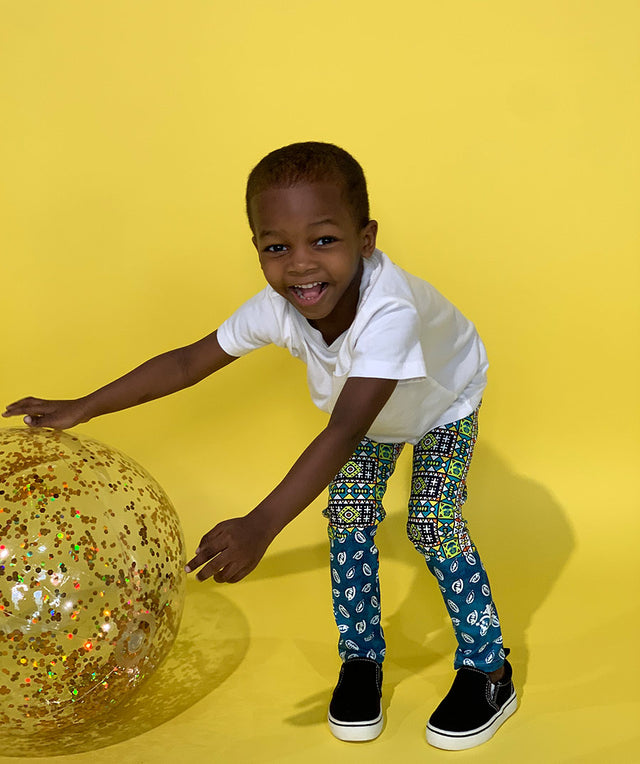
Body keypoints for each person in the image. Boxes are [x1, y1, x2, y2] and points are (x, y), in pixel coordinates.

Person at [3, 141, 517, 750]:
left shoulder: (391, 312)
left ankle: (489, 669)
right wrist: (85, 405)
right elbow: (191, 360)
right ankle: (361, 659)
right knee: (348, 519)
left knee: (431, 523)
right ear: (259, 251)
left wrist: (260, 524)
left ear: (366, 237)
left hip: (441, 406)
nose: (299, 265)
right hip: (368, 418)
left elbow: (344, 430)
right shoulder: (281, 306)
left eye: (323, 240)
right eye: (277, 247)